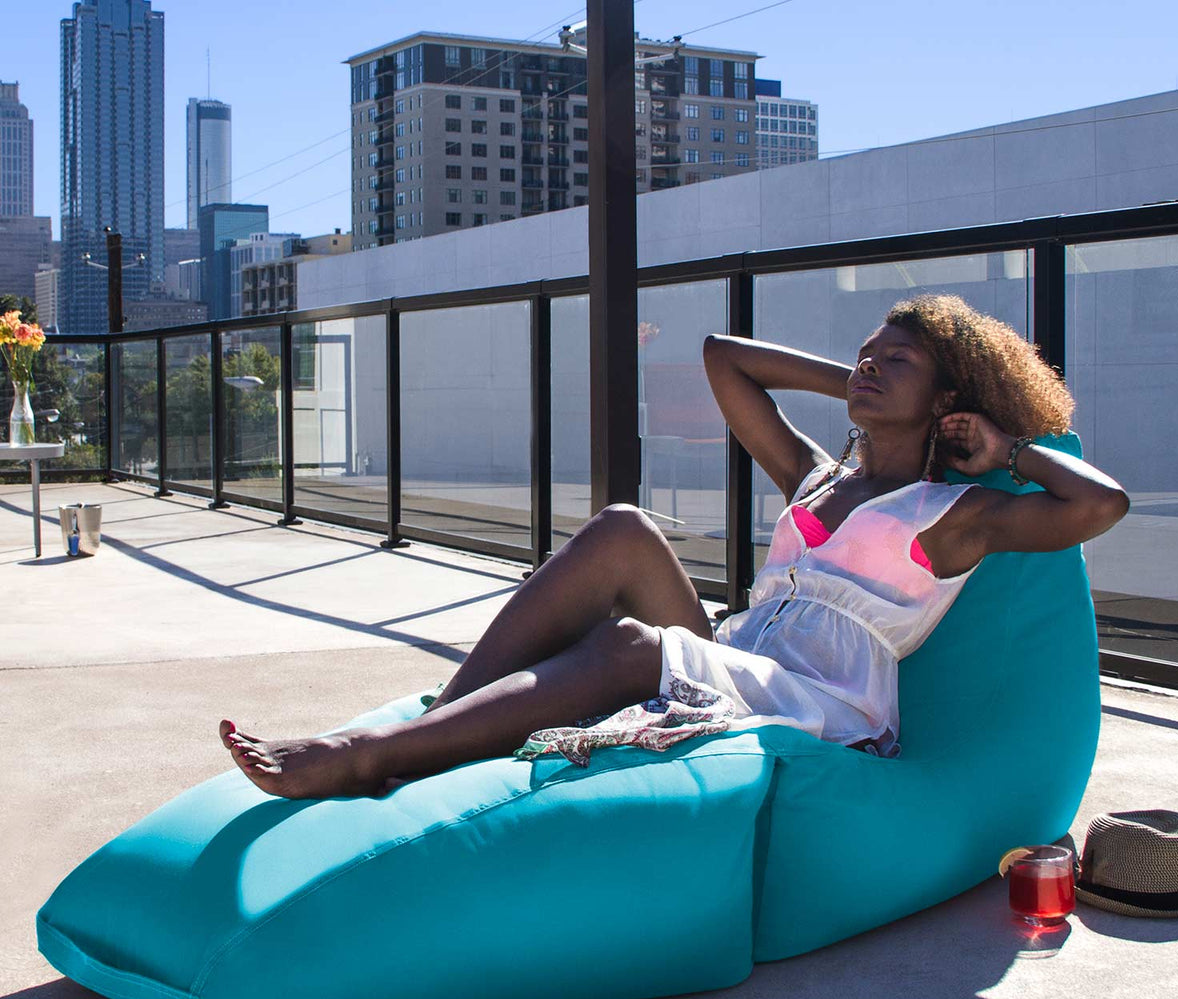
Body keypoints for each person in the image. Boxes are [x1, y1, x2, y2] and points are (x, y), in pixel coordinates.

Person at [220, 294, 1128, 799]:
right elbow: (723, 355)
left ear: (948, 398)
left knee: (626, 644)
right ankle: (432, 734)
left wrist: (1003, 448)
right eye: (866, 353)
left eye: (898, 362)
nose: (869, 366)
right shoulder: (818, 477)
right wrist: (858, 384)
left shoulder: (954, 510)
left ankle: (372, 756)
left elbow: (1100, 505)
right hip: (742, 656)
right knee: (623, 527)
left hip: (822, 702)